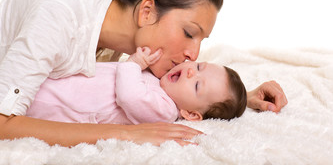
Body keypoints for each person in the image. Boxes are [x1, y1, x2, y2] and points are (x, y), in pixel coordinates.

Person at [0, 0, 287, 147]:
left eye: (201, 41)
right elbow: (3, 123)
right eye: (189, 33)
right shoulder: (58, 20)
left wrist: (234, 98)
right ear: (147, 12)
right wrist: (127, 135)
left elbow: (158, 87)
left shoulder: (124, 0)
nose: (194, 55)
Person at [26, 47, 247, 124]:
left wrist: (135, 64)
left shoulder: (165, 111)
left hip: (58, 103)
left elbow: (130, 97)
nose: (190, 71)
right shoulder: (161, 83)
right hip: (65, 79)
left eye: (197, 85)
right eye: (199, 67)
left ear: (190, 114)